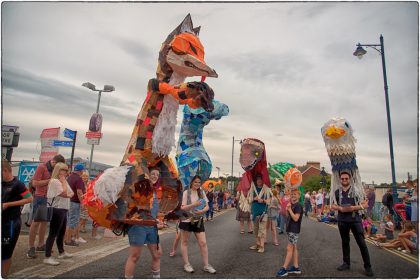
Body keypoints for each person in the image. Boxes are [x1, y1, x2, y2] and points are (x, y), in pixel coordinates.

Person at [331, 171, 373, 276]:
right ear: (340, 180)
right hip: (342, 220)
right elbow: (333, 205)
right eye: (342, 179)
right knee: (345, 243)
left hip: (355, 220)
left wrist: (353, 208)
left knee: (362, 243)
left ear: (350, 179)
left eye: (346, 178)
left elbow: (365, 205)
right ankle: (346, 263)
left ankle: (368, 266)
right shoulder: (337, 192)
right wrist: (340, 208)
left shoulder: (357, 191)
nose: (344, 180)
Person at [124, 167, 162, 279]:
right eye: (153, 173)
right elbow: (130, 206)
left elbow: (154, 211)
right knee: (135, 256)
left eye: (157, 175)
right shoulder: (138, 188)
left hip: (151, 227)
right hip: (137, 226)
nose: (155, 176)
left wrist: (158, 220)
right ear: (147, 174)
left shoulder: (155, 191)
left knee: (157, 254)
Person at [27, 154, 65, 259]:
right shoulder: (42, 167)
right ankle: (31, 247)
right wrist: (50, 180)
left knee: (44, 222)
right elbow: (34, 183)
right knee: (36, 222)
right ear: (53, 162)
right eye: (57, 166)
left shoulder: (54, 170)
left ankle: (40, 244)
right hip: (40, 197)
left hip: (49, 199)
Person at [2, 160, 33, 277]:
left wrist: (8, 204)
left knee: (5, 252)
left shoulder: (17, 184)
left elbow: (29, 199)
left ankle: (3, 275)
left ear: (5, 170)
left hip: (10, 223)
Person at [179, 175, 216, 274]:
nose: (197, 184)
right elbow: (182, 207)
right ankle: (186, 264)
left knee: (203, 243)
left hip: (198, 220)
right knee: (185, 242)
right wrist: (194, 205)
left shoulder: (202, 192)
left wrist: (202, 211)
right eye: (195, 182)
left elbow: (207, 206)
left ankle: (206, 265)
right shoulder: (187, 192)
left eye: (199, 182)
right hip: (186, 220)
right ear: (191, 182)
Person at [44, 162, 75, 265]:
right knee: (53, 233)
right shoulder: (55, 181)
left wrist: (65, 186)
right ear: (58, 170)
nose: (67, 172)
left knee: (61, 232)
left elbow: (71, 193)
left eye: (67, 170)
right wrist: (64, 184)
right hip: (57, 208)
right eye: (64, 170)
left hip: (63, 208)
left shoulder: (62, 181)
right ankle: (47, 256)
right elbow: (65, 193)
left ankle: (61, 252)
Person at [276, 189, 303, 277]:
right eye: (292, 194)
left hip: (294, 230)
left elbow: (296, 218)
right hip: (290, 229)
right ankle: (296, 267)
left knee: (289, 248)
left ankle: (284, 268)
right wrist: (288, 209)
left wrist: (290, 209)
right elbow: (288, 216)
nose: (293, 196)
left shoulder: (298, 205)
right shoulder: (292, 204)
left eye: (295, 194)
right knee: (294, 248)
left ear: (299, 196)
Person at [248, 174, 272, 253]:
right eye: (257, 179)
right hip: (254, 212)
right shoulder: (252, 189)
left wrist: (263, 200)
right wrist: (253, 198)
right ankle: (257, 244)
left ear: (263, 180)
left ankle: (262, 246)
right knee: (255, 230)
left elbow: (270, 201)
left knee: (262, 230)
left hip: (263, 213)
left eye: (260, 179)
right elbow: (248, 199)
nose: (259, 181)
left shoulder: (267, 189)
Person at [65, 163, 86, 246]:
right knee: (72, 221)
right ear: (81, 171)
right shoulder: (78, 179)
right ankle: (68, 240)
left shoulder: (69, 177)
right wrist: (82, 202)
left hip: (69, 201)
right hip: (75, 202)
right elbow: (79, 192)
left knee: (69, 220)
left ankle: (67, 238)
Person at [78, 170, 90, 235]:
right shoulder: (80, 183)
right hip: (81, 202)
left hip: (87, 202)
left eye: (86, 176)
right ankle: (78, 229)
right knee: (82, 217)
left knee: (85, 217)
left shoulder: (89, 184)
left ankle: (82, 227)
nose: (85, 178)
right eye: (83, 176)